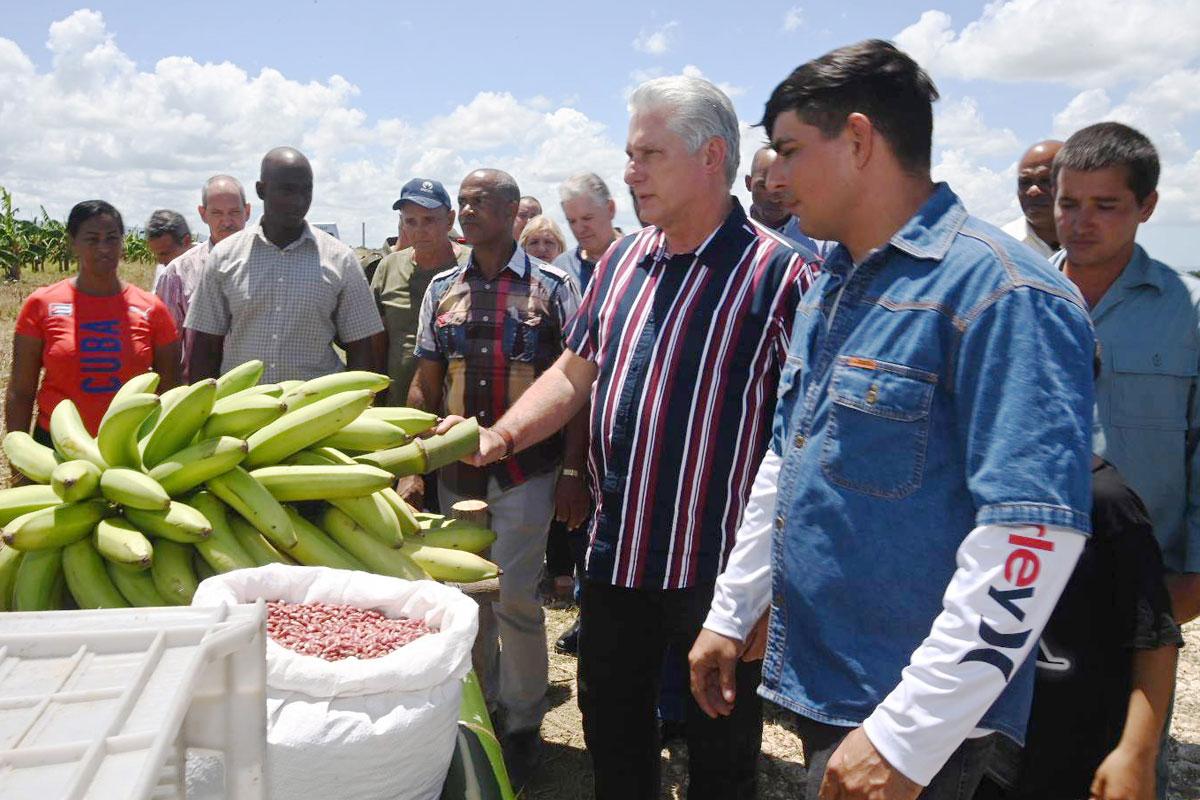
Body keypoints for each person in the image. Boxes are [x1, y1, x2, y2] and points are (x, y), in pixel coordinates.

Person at [687, 40, 1096, 800]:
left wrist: (908, 736)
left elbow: (1031, 535)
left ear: (860, 139)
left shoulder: (1004, 296)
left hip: (921, 722)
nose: (773, 174)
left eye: (788, 148)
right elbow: (789, 456)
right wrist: (734, 605)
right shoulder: (833, 283)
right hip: (835, 687)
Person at [438, 75, 819, 799]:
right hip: (619, 552)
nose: (629, 170)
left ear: (711, 157)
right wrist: (499, 436)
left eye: (648, 154)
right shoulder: (621, 263)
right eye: (628, 153)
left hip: (717, 568)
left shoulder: (782, 275)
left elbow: (805, 442)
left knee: (719, 751)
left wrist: (772, 585)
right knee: (611, 723)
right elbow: (573, 373)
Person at [408, 168, 584, 791]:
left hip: (526, 470)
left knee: (515, 597)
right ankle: (473, 715)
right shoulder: (442, 289)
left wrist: (571, 469)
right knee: (462, 601)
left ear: (512, 211)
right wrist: (413, 466)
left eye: (481, 200)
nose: (467, 209)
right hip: (457, 474)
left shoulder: (555, 288)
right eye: (463, 201)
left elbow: (576, 388)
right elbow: (427, 380)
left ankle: (522, 722)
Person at [1051, 121, 1200, 798]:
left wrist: (1192, 579)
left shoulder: (1188, 312)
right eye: (1068, 203)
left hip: (1145, 586)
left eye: (1105, 205)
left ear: (1147, 206)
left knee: (1129, 762)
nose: (1080, 223)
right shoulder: (1019, 299)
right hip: (1028, 576)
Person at [972, 444, 1181, 797]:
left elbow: (1155, 639)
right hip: (974, 755)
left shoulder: (1108, 502)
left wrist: (1136, 752)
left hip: (1070, 757)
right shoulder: (967, 488)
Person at [185, 147, 384, 382]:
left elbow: (362, 348)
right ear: (261, 190)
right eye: (287, 190)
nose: (298, 201)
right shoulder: (225, 257)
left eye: (306, 190)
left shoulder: (340, 259)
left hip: (316, 410)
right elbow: (204, 346)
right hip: (242, 410)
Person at [6, 200, 180, 444]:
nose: (104, 248)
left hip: (132, 447)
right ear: (72, 243)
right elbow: (21, 392)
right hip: (57, 446)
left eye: (111, 238)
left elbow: (171, 390)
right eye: (92, 239)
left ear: (122, 242)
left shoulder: (152, 310)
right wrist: (19, 457)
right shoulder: (42, 305)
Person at [372, 178, 470, 511]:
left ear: (450, 219)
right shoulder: (388, 268)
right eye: (410, 222)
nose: (420, 230)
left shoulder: (471, 267)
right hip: (397, 421)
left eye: (429, 220)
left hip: (454, 425)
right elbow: (374, 340)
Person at [156, 175, 251, 383]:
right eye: (217, 213)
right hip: (200, 395)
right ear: (203, 214)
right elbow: (166, 348)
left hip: (257, 394)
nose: (227, 222)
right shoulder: (178, 274)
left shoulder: (267, 268)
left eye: (234, 212)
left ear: (248, 211)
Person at [744, 145, 822, 255]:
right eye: (763, 186)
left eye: (783, 187)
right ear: (748, 183)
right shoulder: (730, 235)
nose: (774, 199)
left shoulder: (820, 245)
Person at [555, 172, 621, 294]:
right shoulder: (561, 270)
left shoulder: (641, 261)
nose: (579, 229)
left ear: (610, 209)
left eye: (587, 218)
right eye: (572, 221)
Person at [1002, 140, 1063, 258]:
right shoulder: (1001, 247)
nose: (1033, 190)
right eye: (1025, 182)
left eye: (1046, 181)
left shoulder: (1100, 240)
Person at [145, 209, 193, 292]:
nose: (160, 261)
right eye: (157, 254)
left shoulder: (208, 270)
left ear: (186, 241)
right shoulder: (163, 268)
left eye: (164, 254)